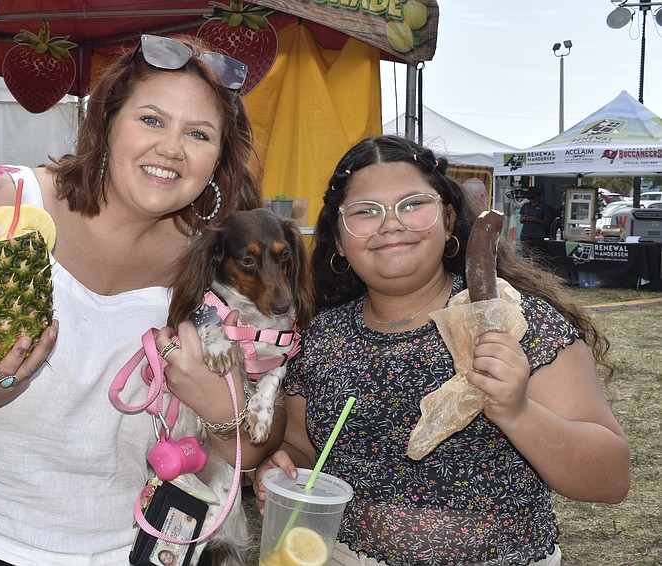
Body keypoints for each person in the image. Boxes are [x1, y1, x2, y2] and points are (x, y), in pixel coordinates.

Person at [0, 33, 284, 565]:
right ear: (106, 123)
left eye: (198, 133)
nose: (171, 149)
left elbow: (256, 441)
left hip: (118, 547)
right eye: (151, 120)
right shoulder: (6, 209)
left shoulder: (219, 266)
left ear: (219, 157)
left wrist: (227, 414)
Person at [251, 135, 630, 565]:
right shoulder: (319, 338)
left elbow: (610, 479)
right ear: (338, 240)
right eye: (364, 212)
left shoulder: (513, 321)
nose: (390, 224)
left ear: (448, 220)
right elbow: (304, 448)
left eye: (413, 204)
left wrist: (518, 410)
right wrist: (283, 468)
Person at [519, 187, 552, 259]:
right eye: (529, 198)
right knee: (525, 256)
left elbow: (546, 222)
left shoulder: (543, 206)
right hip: (525, 234)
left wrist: (535, 220)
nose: (530, 200)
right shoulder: (526, 206)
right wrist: (524, 218)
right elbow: (521, 220)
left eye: (532, 197)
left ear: (537, 196)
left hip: (537, 235)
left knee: (536, 256)